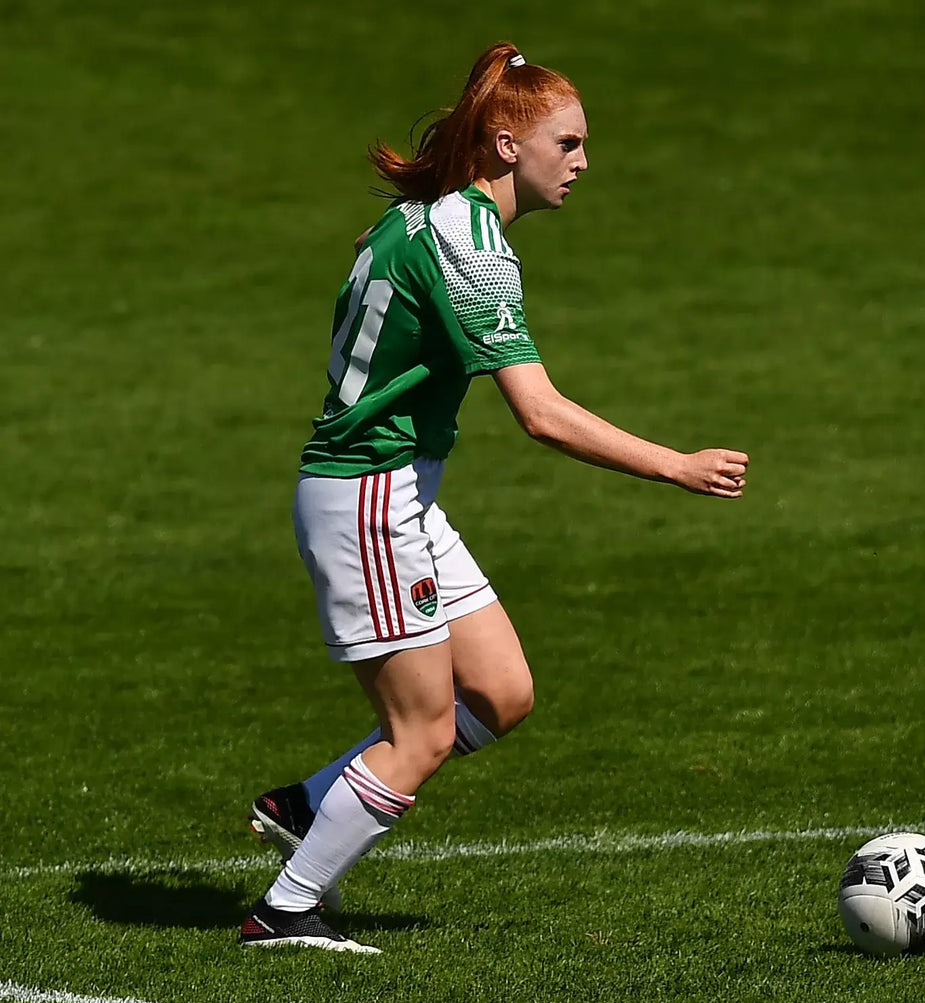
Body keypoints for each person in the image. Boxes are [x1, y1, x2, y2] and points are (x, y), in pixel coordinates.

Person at [239, 42, 749, 953]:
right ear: (508, 145)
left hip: (398, 495)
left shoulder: (423, 220)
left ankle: (310, 802)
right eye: (571, 142)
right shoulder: (468, 244)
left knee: (502, 692)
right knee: (424, 731)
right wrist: (675, 464)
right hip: (369, 497)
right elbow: (541, 414)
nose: (584, 162)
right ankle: (286, 911)